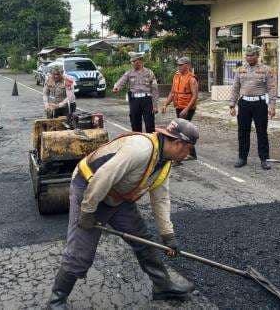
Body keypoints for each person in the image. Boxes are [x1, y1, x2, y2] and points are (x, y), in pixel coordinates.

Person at [47, 119, 199, 309]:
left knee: (143, 240)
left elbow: (160, 199)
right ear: (178, 144)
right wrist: (87, 210)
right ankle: (56, 301)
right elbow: (104, 176)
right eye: (189, 150)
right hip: (89, 188)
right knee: (81, 250)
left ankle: (163, 286)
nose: (188, 155)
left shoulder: (164, 162)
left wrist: (168, 235)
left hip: (117, 195)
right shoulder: (140, 148)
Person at [229, 44, 276, 170]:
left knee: (262, 132)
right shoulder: (240, 70)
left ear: (257, 56)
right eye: (247, 55)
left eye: (251, 55)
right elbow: (235, 88)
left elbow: (271, 88)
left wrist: (272, 106)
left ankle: (264, 159)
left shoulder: (266, 70)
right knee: (243, 132)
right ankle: (242, 157)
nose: (248, 58)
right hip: (244, 104)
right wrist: (232, 105)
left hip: (259, 104)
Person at [112, 52, 159, 133]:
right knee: (135, 124)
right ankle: (137, 142)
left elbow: (154, 88)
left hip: (147, 100)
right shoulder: (129, 73)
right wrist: (117, 87)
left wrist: (155, 105)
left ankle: (152, 143)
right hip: (134, 101)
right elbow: (122, 80)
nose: (133, 63)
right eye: (132, 62)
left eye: (135, 61)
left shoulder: (149, 72)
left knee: (149, 124)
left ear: (140, 61)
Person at [162, 56, 199, 159]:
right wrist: (166, 104)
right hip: (178, 106)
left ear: (187, 65)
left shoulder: (192, 79)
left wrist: (186, 109)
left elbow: (195, 95)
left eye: (181, 65)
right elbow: (173, 92)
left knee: (181, 131)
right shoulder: (176, 76)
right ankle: (191, 154)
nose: (179, 67)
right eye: (178, 65)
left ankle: (181, 154)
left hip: (188, 108)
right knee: (183, 131)